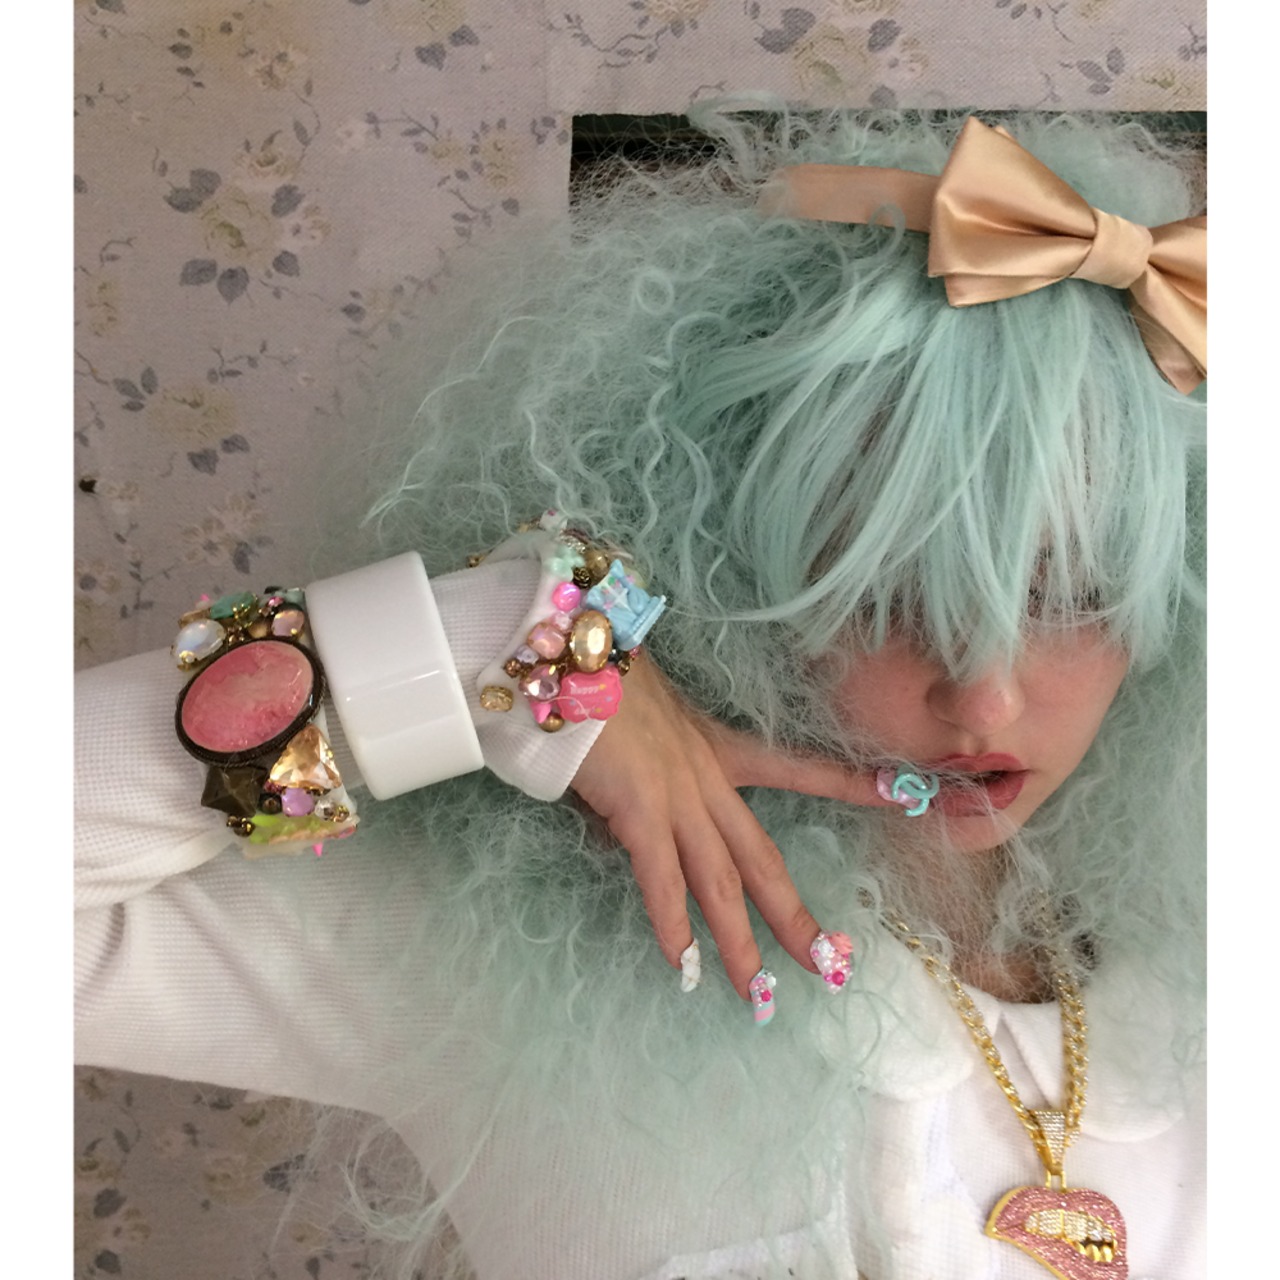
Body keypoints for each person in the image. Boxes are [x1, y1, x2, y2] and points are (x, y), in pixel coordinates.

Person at [75, 106, 1206, 1279]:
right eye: (882, 591)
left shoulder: (1219, 979)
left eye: (1072, 592)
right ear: (727, 565)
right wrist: (517, 645)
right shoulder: (500, 942)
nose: (983, 699)